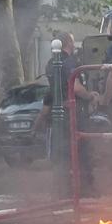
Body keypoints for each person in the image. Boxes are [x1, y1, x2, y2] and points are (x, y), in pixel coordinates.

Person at [32, 31, 99, 193]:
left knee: (62, 155)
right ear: (69, 42)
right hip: (73, 114)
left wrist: (40, 118)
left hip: (57, 117)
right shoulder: (70, 62)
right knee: (82, 151)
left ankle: (62, 191)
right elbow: (75, 87)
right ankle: (85, 191)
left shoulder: (50, 64)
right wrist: (90, 96)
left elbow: (52, 92)